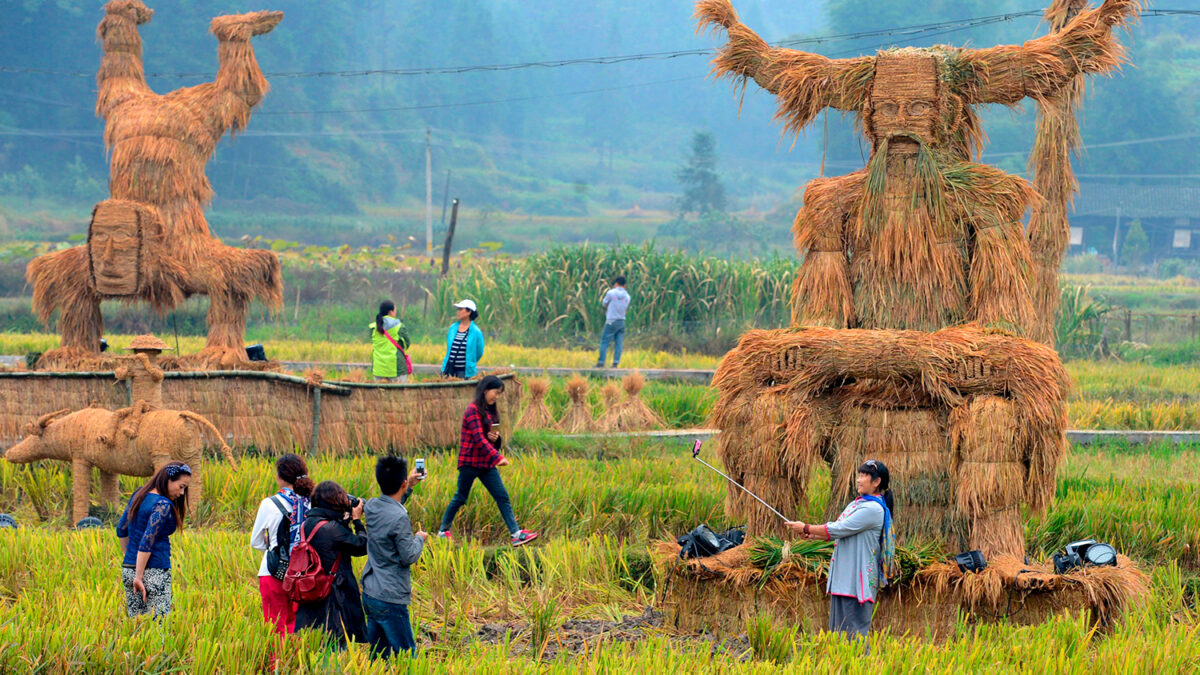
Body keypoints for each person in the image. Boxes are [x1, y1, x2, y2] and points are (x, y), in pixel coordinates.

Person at [785, 460, 896, 639]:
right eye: (859, 475)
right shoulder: (856, 504)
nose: (858, 480)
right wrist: (812, 535)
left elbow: (839, 528)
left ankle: (863, 667)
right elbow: (838, 530)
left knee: (854, 637)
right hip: (843, 580)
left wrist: (807, 527)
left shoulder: (873, 509)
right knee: (838, 635)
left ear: (876, 482)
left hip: (857, 583)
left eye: (864, 476)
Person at [437, 376, 538, 546]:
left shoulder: (490, 412)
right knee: (460, 497)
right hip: (470, 462)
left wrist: (494, 439)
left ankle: (516, 534)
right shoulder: (472, 410)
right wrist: (497, 457)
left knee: (502, 496)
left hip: (485, 464)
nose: (496, 397)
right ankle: (442, 532)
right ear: (485, 390)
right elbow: (478, 438)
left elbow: (487, 440)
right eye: (495, 392)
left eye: (499, 394)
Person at [362, 456, 428, 659]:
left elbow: (388, 505)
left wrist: (407, 486)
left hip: (371, 593)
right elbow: (408, 556)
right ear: (403, 483)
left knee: (378, 656)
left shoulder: (371, 506)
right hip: (391, 597)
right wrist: (419, 539)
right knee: (407, 656)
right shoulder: (399, 517)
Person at [294, 481, 369, 648]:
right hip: (335, 596)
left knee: (318, 643)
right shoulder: (332, 529)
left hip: (314, 590)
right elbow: (362, 546)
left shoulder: (309, 523)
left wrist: (344, 520)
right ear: (335, 501)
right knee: (335, 644)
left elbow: (331, 542)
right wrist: (357, 521)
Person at [116, 461, 192, 618]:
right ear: (168, 480)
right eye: (181, 486)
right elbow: (147, 541)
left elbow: (121, 529)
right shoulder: (162, 504)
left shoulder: (139, 494)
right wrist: (139, 575)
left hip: (129, 569)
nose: (182, 493)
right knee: (159, 628)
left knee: (135, 628)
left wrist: (130, 561)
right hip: (154, 571)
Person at [250, 454, 314, 636]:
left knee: (274, 627)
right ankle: (294, 663)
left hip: (273, 571)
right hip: (302, 574)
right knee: (296, 627)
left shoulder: (269, 504)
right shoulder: (311, 503)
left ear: (280, 477)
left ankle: (276, 665)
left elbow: (256, 541)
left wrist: (275, 548)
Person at [441, 299, 485, 379]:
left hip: (464, 371)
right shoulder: (453, 328)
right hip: (449, 369)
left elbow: (479, 352)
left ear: (469, 312)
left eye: (461, 309)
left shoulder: (476, 331)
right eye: (458, 309)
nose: (458, 312)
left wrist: (471, 361)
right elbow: (449, 349)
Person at [370, 300, 411, 383]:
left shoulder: (373, 327)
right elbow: (407, 343)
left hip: (379, 369)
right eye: (395, 310)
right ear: (391, 312)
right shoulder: (399, 326)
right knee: (399, 395)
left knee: (380, 395)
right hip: (396, 369)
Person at [595, 276, 630, 368]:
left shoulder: (611, 293)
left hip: (611, 320)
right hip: (621, 321)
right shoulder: (627, 296)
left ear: (616, 283)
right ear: (624, 285)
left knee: (604, 341)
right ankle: (615, 363)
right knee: (619, 343)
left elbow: (604, 303)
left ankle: (601, 362)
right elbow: (625, 308)